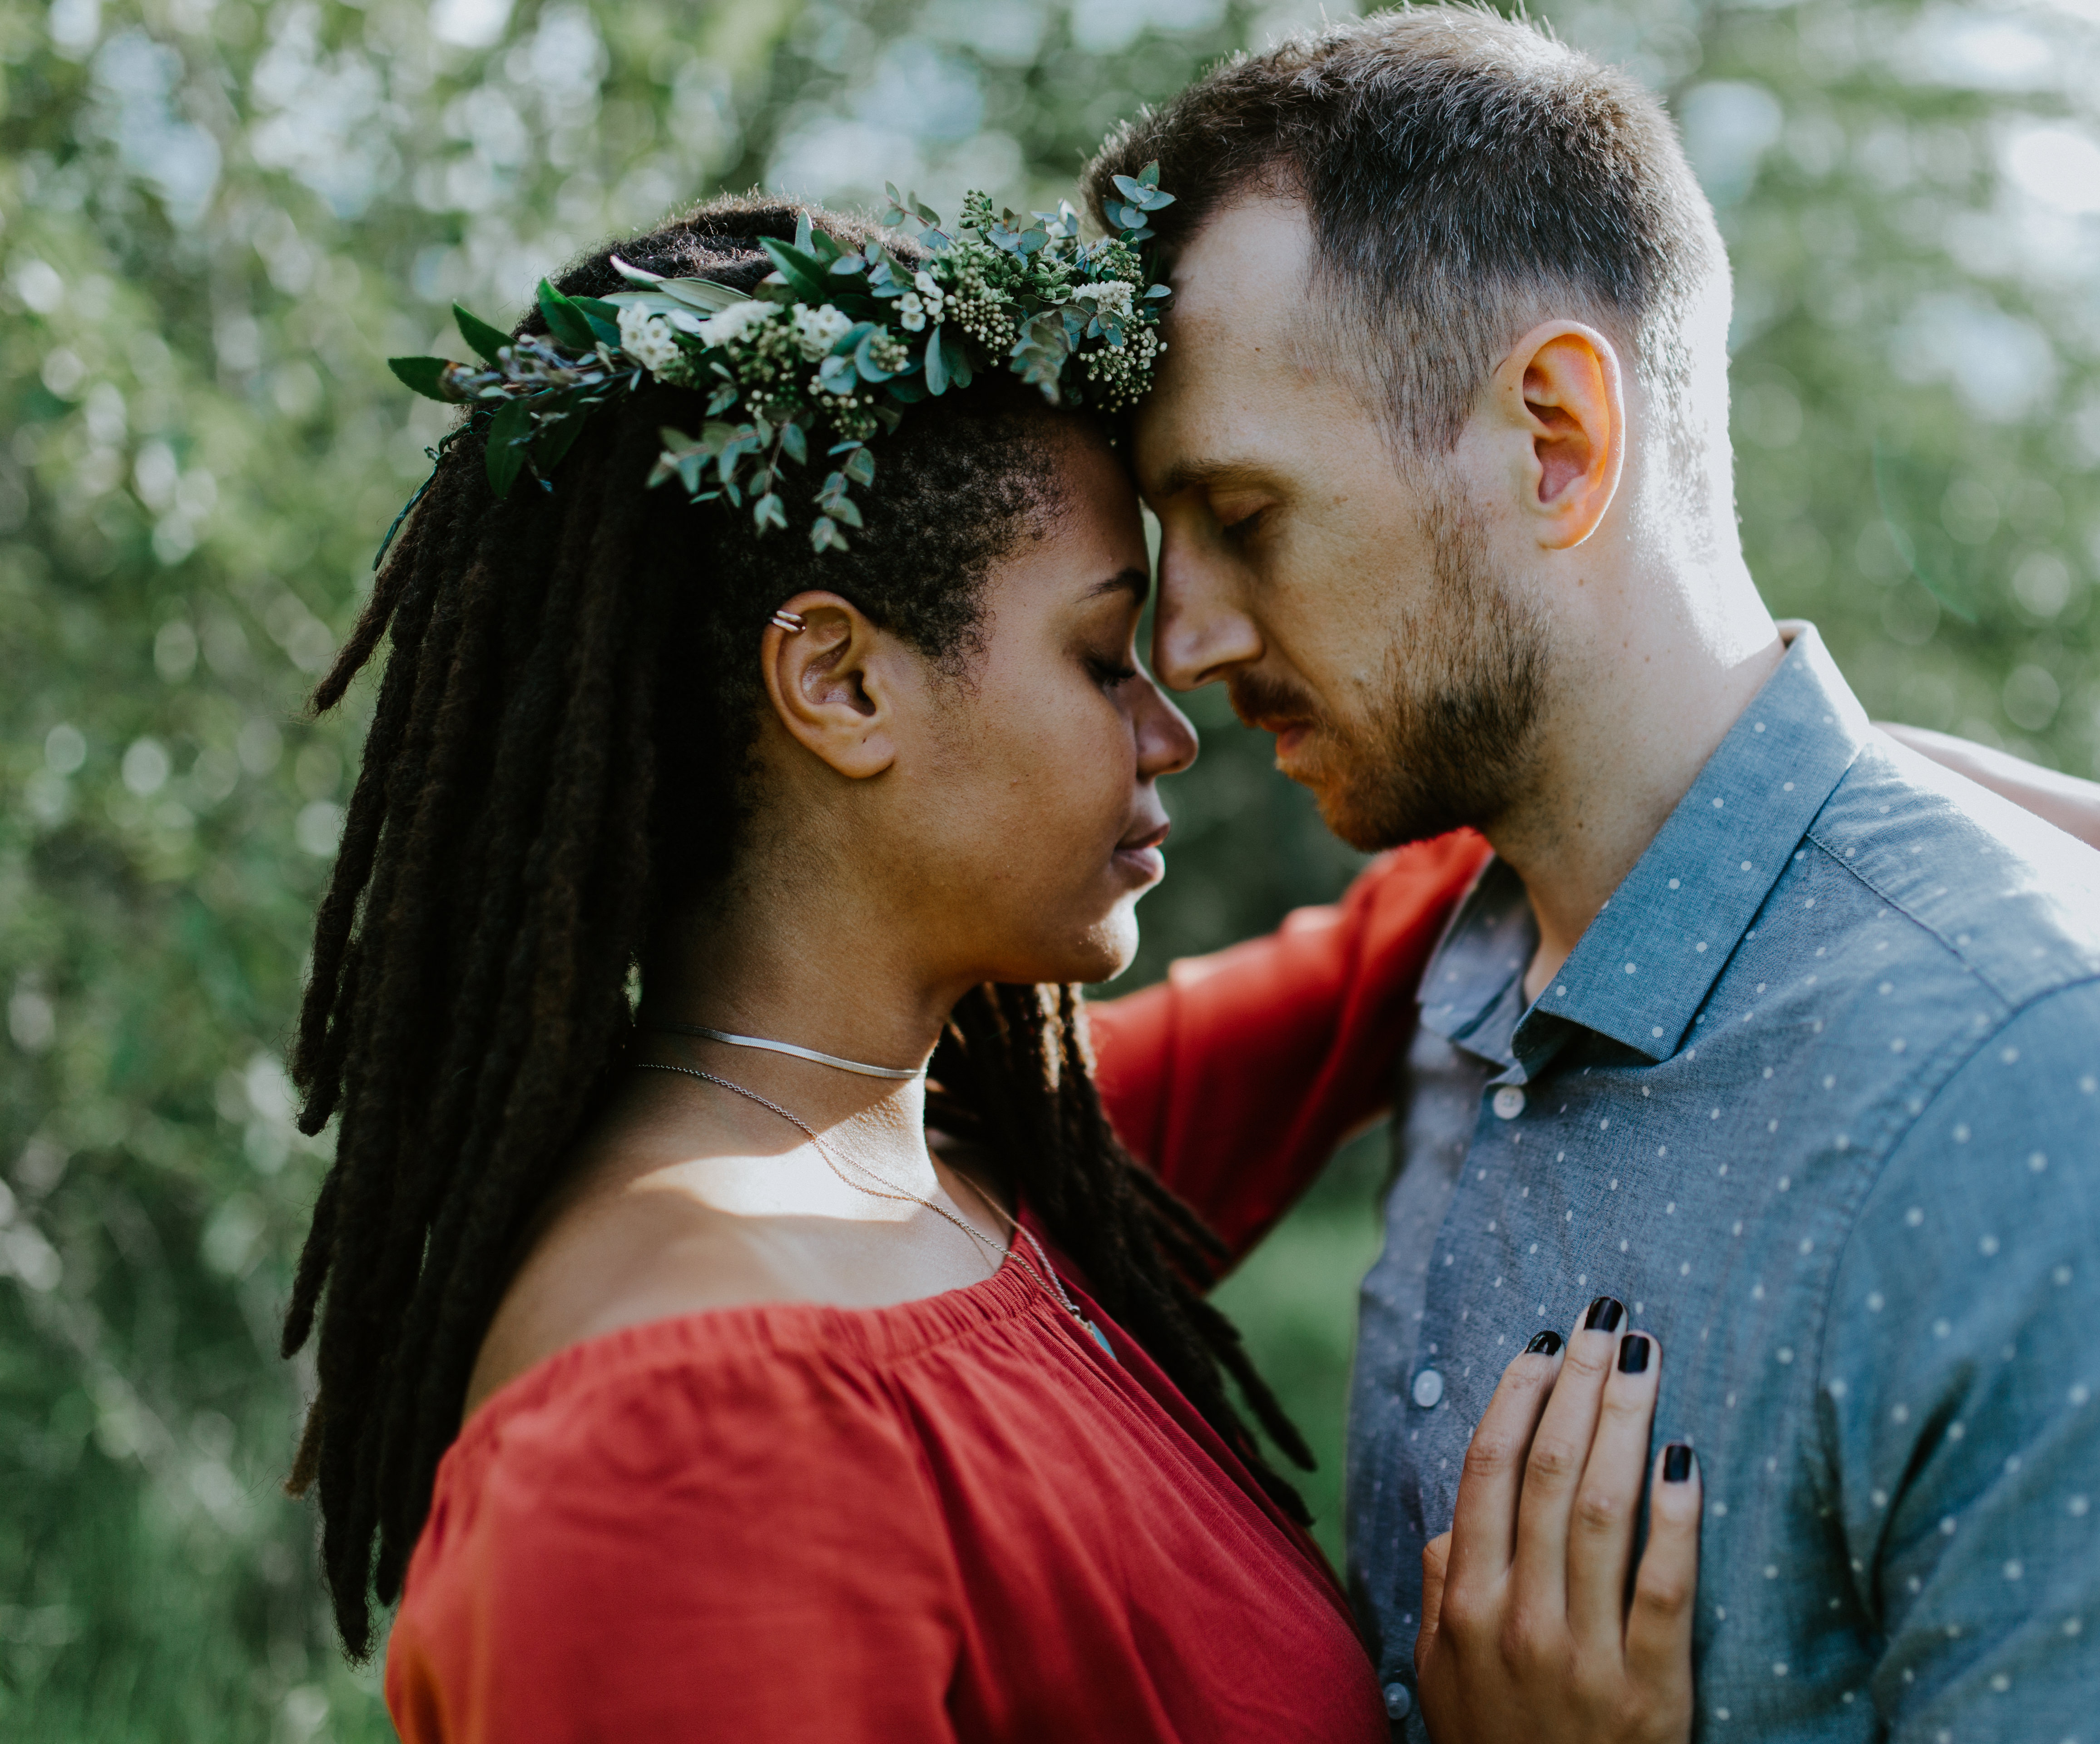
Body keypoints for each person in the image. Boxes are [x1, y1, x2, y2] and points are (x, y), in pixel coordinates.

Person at [1079, 9, 2100, 1739]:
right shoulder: (1473, 985)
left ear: (1556, 437)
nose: (1180, 639)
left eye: (1244, 517)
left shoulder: (2071, 1094)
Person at [282, 193, 1703, 1742]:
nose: (1171, 729)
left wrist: (1874, 793)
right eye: (1101, 660)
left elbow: (1474, 866)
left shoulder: (966, 1166)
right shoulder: (683, 1440)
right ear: (840, 683)